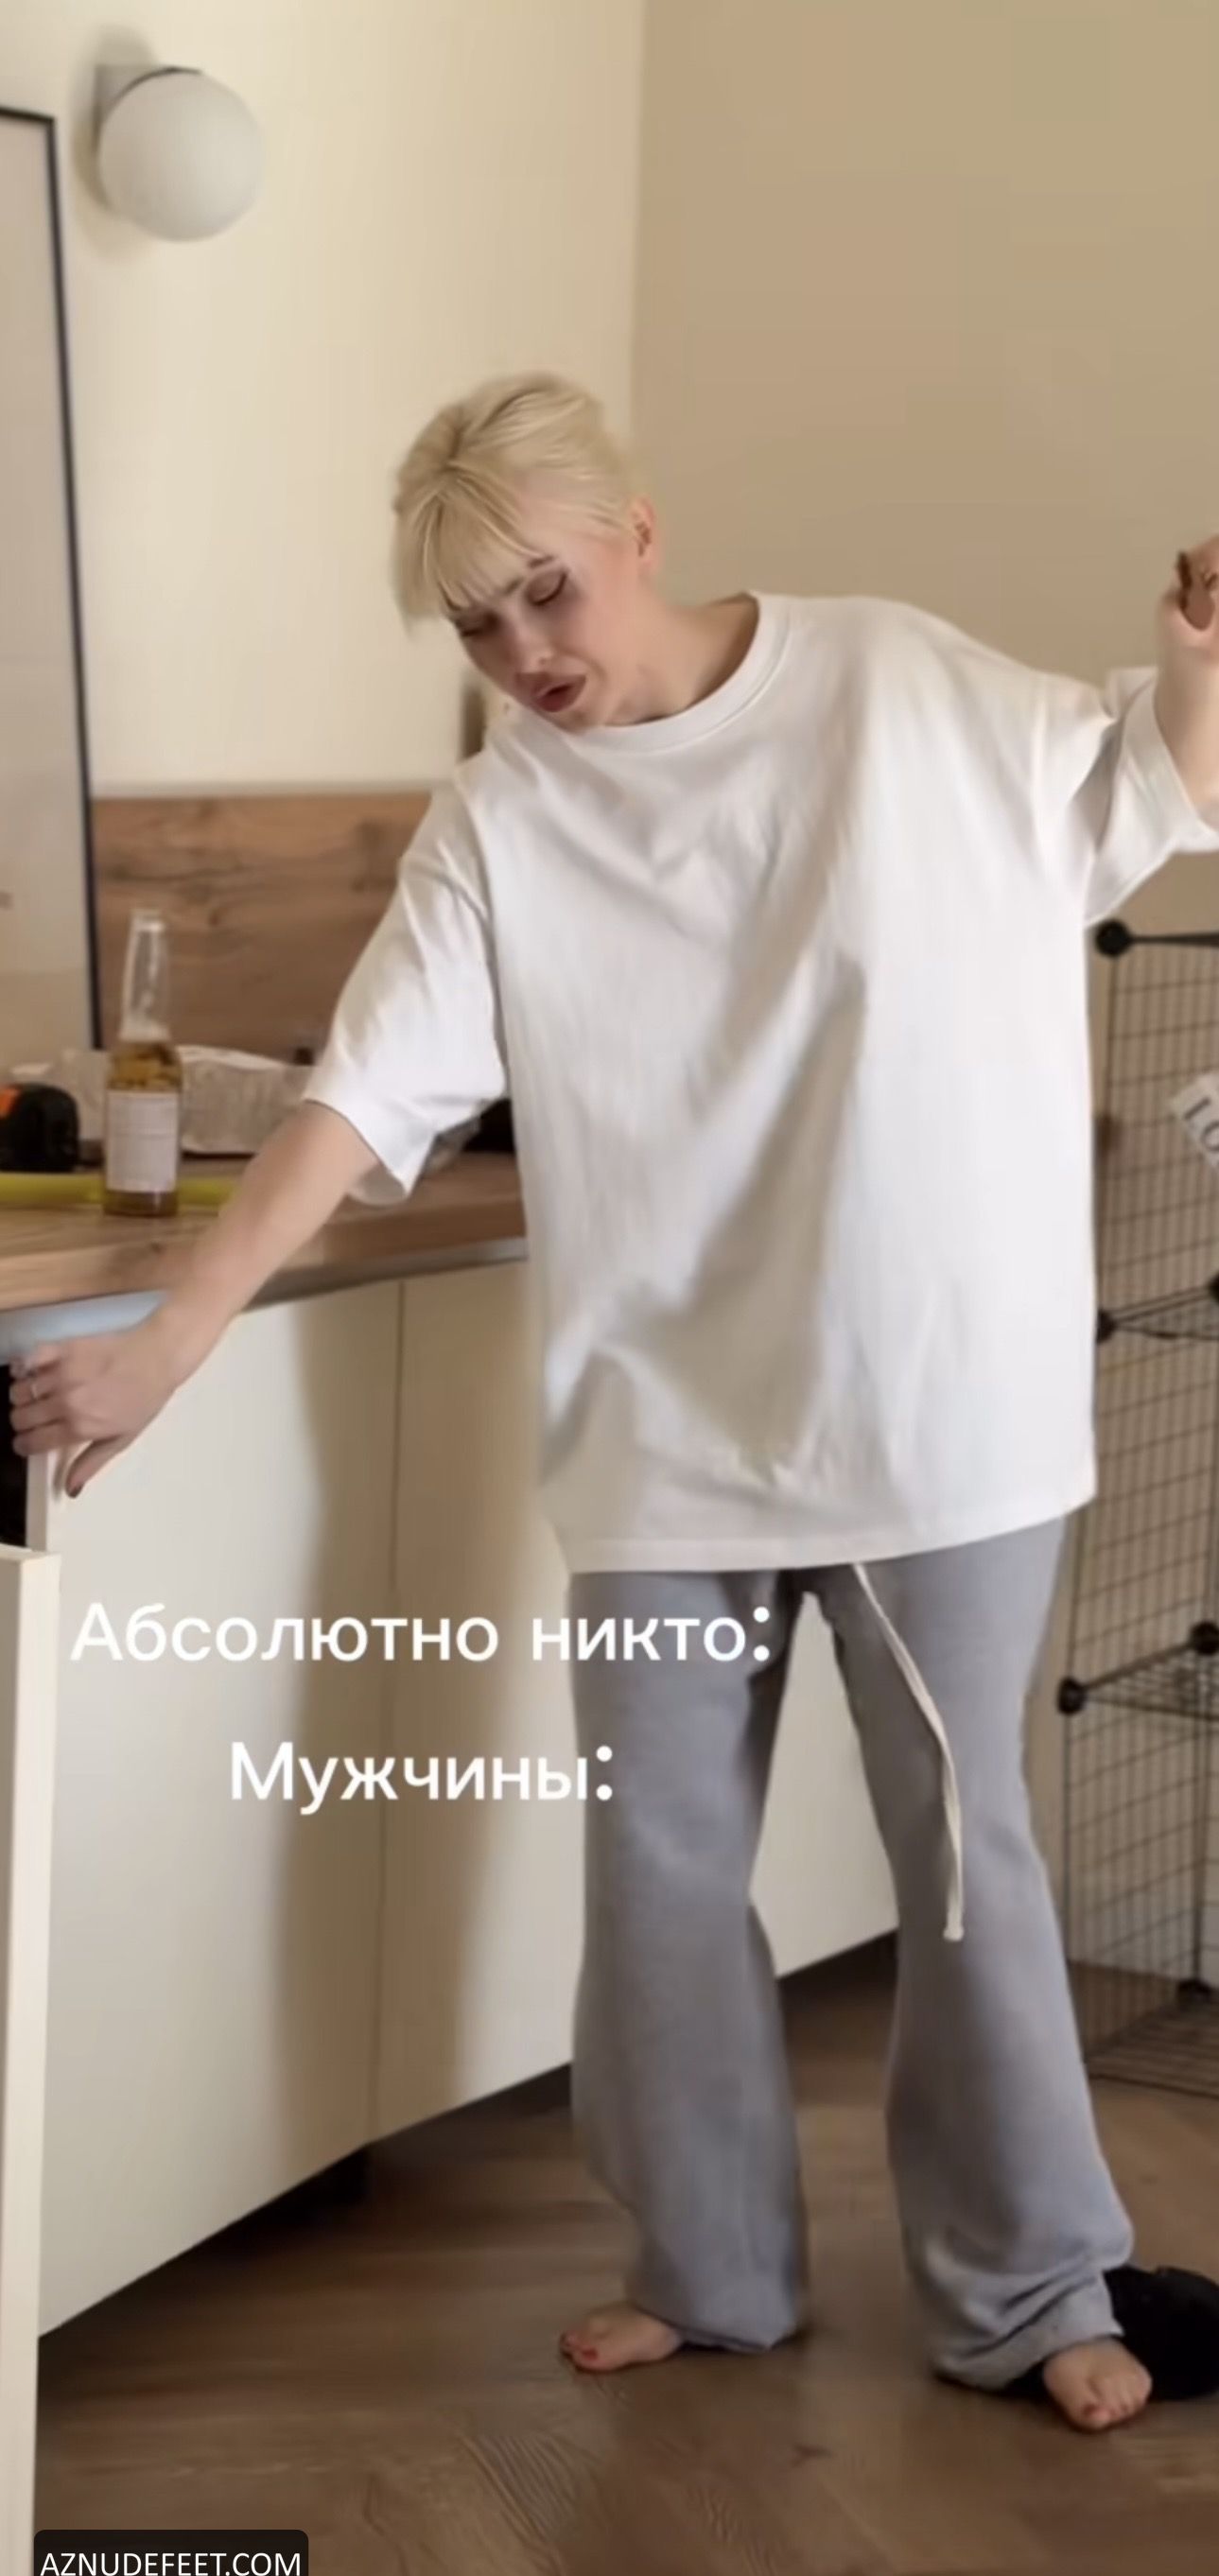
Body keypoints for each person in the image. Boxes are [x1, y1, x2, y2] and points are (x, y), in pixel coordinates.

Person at [11, 373, 1219, 2436]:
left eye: (547, 594)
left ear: (638, 531)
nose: (524, 655)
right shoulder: (505, 817)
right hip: (664, 1429)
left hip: (935, 1407)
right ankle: (706, 2267)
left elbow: (1154, 789)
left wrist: (1198, 654)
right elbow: (358, 1103)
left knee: (965, 1869)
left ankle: (1032, 2286)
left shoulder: (894, 684)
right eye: (476, 625)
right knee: (658, 1871)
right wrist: (172, 1337)